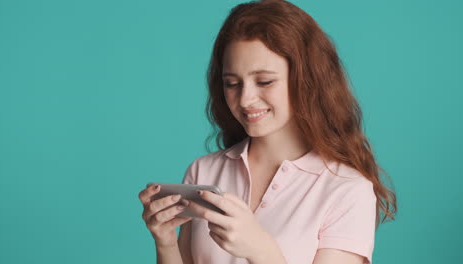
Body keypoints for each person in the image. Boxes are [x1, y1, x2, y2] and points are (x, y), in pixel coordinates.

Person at [138, 0, 397, 263]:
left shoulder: (347, 189)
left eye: (264, 81)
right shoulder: (203, 172)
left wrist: (261, 251)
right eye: (232, 83)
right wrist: (166, 243)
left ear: (307, 81)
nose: (245, 99)